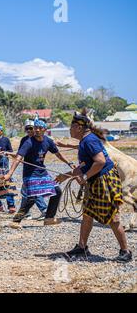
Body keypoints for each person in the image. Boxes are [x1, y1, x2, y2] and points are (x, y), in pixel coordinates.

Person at [56, 111, 132, 263]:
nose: (70, 130)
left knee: (112, 217)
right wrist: (67, 175)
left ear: (78, 127)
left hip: (105, 181)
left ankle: (126, 252)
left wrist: (84, 177)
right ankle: (82, 248)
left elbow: (100, 162)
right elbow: (86, 165)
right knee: (88, 214)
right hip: (97, 181)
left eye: (71, 126)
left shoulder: (89, 141)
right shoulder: (86, 141)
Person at [2, 119, 74, 226]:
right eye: (36, 128)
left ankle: (49, 218)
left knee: (57, 191)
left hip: (42, 173)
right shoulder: (28, 142)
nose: (37, 130)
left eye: (40, 128)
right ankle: (16, 221)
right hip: (30, 174)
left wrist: (69, 163)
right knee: (32, 196)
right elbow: (18, 157)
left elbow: (58, 154)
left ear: (45, 129)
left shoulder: (48, 141)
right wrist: (10, 173)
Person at [19, 120, 48, 220]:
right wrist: (7, 153)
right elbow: (19, 154)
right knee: (25, 191)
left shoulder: (41, 139)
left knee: (34, 190)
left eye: (31, 128)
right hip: (28, 170)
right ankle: (25, 213)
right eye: (27, 129)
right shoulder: (24, 140)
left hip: (37, 171)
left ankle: (44, 210)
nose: (29, 130)